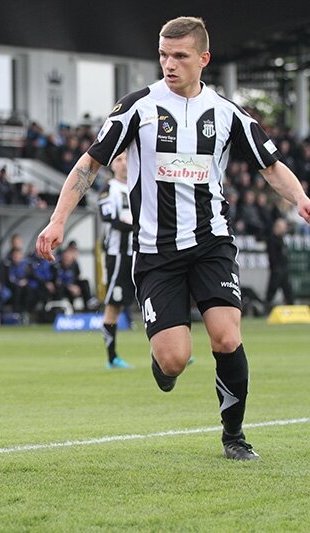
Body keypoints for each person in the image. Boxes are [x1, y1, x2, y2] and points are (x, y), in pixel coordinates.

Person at [36, 16, 310, 461]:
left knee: (226, 336)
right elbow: (89, 164)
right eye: (164, 55)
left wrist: (300, 198)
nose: (169, 64)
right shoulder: (137, 107)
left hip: (211, 243)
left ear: (203, 59)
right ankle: (162, 361)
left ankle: (234, 436)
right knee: (174, 360)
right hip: (155, 251)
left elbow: (271, 165)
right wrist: (58, 220)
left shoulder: (227, 113)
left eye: (180, 56)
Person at [97, 152, 134, 369]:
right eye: (119, 160)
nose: (124, 164)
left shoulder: (140, 185)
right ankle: (112, 358)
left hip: (141, 253)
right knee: (114, 304)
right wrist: (138, 224)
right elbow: (109, 218)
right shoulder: (108, 189)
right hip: (118, 255)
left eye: (127, 159)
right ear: (112, 165)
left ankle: (171, 351)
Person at [265, 217, 294, 307]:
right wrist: (275, 267)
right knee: (272, 289)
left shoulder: (281, 238)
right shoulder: (272, 239)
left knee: (287, 289)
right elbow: (272, 256)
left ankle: (291, 305)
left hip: (283, 268)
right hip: (277, 269)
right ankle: (266, 307)